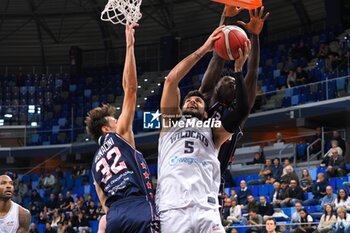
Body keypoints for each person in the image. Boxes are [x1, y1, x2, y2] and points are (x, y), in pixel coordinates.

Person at [156, 25, 250, 232]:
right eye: (189, 100)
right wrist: (204, 49)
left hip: (206, 208)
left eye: (198, 100)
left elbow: (243, 108)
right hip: (172, 208)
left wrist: (238, 70)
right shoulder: (170, 122)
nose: (192, 101)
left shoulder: (214, 131)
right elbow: (171, 81)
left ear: (206, 112)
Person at [85, 24, 158, 233]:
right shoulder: (119, 136)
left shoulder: (95, 163)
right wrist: (129, 45)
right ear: (107, 129)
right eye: (114, 120)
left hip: (115, 218)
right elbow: (131, 90)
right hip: (138, 208)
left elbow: (103, 201)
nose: (119, 121)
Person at [199, 6, 269, 175]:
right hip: (193, 168)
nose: (232, 84)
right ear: (216, 87)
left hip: (214, 180)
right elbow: (217, 57)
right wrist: (225, 18)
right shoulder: (207, 99)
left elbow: (251, 73)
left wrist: (255, 36)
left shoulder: (238, 113)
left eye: (234, 83)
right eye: (226, 81)